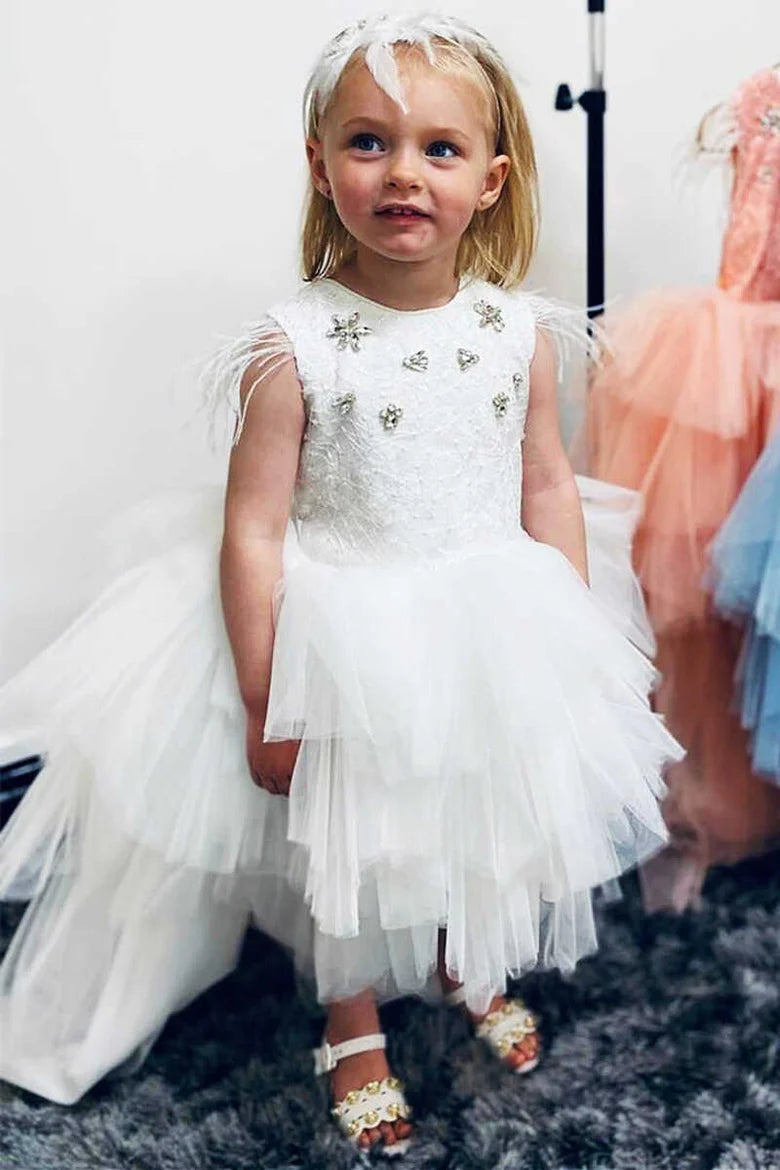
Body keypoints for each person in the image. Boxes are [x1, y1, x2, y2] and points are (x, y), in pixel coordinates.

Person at [0, 12, 682, 1155]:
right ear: (321, 166)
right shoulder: (296, 346)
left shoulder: (518, 335)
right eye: (370, 142)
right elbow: (254, 529)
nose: (403, 173)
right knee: (356, 842)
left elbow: (546, 482)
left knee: (476, 815)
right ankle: (352, 1019)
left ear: (490, 180)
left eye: (439, 148)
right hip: (344, 641)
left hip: (491, 623)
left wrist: (570, 629)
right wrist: (264, 691)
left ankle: (467, 959)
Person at [587, 65, 780, 912]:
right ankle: (715, 800)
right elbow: (750, 254)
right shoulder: (767, 99)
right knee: (716, 616)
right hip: (748, 369)